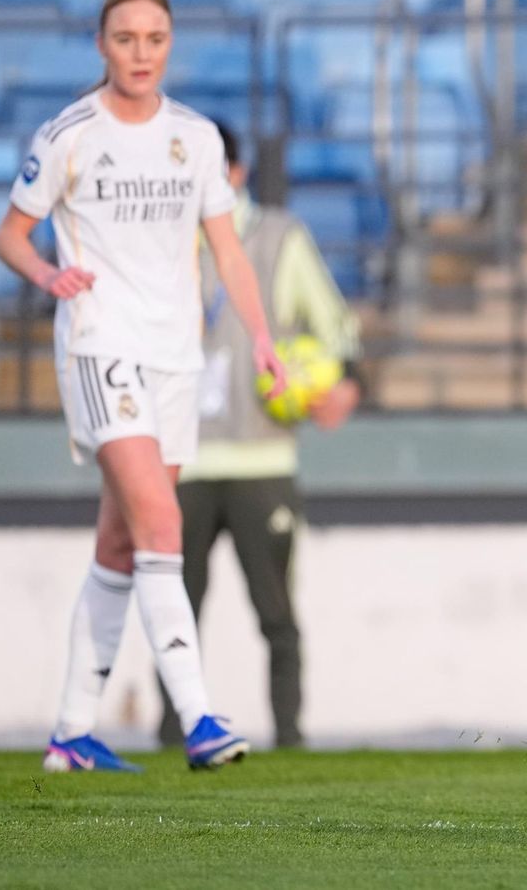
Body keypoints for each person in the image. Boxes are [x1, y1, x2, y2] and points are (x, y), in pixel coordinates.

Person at [0, 0, 286, 773]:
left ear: (169, 44)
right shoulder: (69, 136)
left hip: (175, 357)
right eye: (126, 38)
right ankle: (199, 718)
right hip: (101, 346)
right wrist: (48, 274)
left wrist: (261, 337)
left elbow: (227, 251)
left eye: (155, 38)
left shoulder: (192, 137)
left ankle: (70, 733)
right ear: (102, 45)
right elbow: (10, 235)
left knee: (122, 539)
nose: (142, 52)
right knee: (162, 523)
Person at [154, 120, 364, 751]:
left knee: (277, 615)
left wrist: (343, 382)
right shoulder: (162, 242)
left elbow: (335, 327)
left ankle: (290, 740)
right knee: (174, 613)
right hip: (179, 463)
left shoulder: (279, 236)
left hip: (262, 457)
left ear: (236, 174)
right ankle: (172, 739)